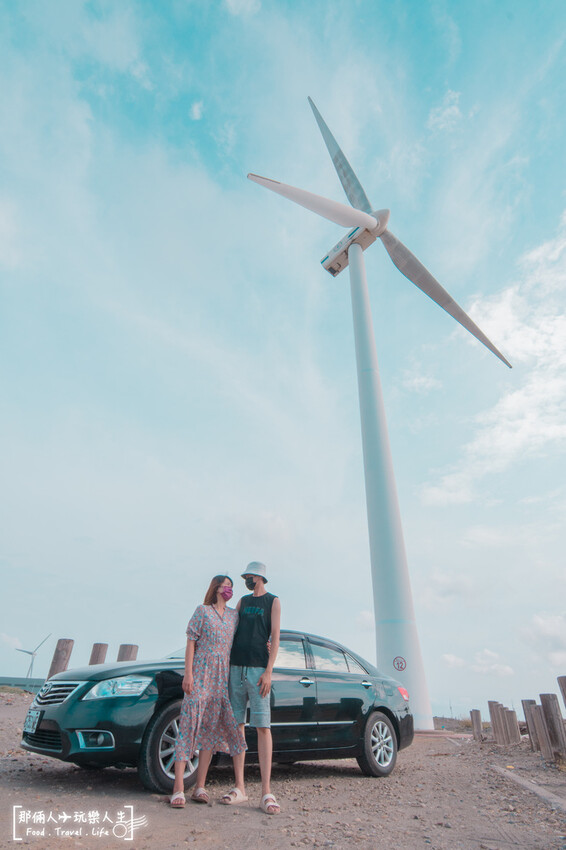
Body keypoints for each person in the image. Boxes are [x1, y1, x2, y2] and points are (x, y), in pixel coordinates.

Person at [170, 575, 246, 808]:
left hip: (221, 680)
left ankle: (200, 787)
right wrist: (188, 673)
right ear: (216, 588)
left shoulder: (234, 616)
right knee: (189, 727)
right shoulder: (202, 611)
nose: (229, 590)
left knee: (210, 732)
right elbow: (191, 641)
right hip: (201, 674)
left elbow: (245, 639)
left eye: (232, 587)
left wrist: (268, 645)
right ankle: (179, 788)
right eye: (226, 586)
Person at [223, 561, 281, 814]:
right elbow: (230, 629)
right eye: (245, 576)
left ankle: (266, 791)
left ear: (259, 577)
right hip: (236, 667)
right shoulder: (243, 602)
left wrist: (269, 671)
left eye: (249, 576)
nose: (247, 579)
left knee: (262, 726)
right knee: (237, 726)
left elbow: (275, 636)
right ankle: (240, 788)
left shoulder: (273, 601)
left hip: (258, 670)